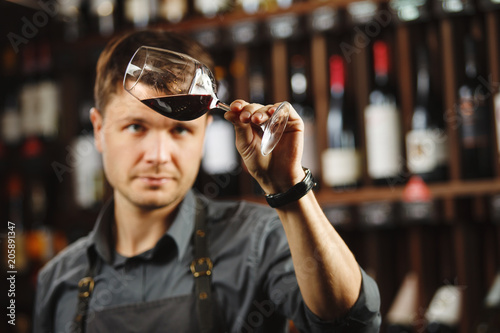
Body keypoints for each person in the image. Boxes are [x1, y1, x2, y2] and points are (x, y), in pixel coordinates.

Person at [33, 29, 381, 333]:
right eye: (136, 127)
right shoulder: (57, 280)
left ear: (203, 137)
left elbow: (351, 323)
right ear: (98, 129)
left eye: (180, 130)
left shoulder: (258, 240)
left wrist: (289, 190)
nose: (158, 154)